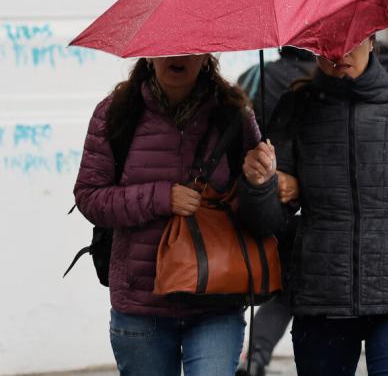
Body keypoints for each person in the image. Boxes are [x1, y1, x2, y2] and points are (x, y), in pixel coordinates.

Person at [237, 36, 388, 375]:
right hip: (321, 299)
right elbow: (268, 223)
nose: (339, 52)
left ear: (371, 40)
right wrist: (259, 185)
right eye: (328, 43)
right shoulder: (296, 108)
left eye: (350, 41)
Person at [73, 53, 261, 375]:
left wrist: (264, 181)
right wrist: (162, 197)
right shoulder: (116, 113)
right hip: (142, 304)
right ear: (148, 55)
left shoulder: (233, 114)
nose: (178, 57)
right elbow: (89, 196)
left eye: (191, 49)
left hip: (216, 297)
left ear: (207, 57)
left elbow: (258, 206)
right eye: (168, 49)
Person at [235, 47, 316, 376]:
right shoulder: (316, 83)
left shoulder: (255, 75)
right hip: (300, 212)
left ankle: (255, 354)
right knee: (291, 289)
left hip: (260, 201)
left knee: (280, 286)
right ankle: (257, 352)